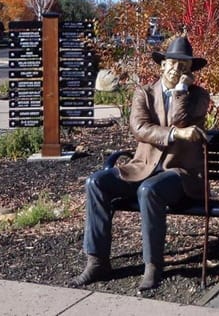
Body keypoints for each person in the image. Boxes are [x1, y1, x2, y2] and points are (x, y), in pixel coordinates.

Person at [72, 35, 211, 291]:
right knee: (96, 182)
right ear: (162, 65)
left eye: (184, 65)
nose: (177, 69)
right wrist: (173, 134)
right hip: (142, 167)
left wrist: (180, 91)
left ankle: (153, 266)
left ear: (191, 71)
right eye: (172, 63)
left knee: (149, 191)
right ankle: (97, 261)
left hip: (180, 173)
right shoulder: (144, 94)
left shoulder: (199, 96)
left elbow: (181, 121)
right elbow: (139, 128)